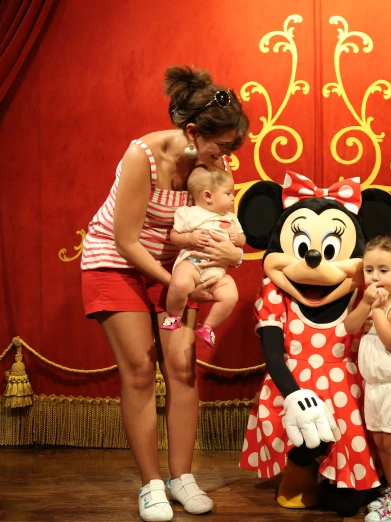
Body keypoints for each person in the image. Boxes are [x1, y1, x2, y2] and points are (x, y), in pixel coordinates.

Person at [80, 64, 248, 522]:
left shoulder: (213, 164)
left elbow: (220, 232)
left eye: (234, 146)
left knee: (182, 365)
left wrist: (224, 256)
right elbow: (126, 241)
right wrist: (177, 279)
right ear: (192, 131)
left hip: (176, 268)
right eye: (223, 145)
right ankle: (151, 485)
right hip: (115, 263)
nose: (228, 156)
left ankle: (182, 478)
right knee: (139, 368)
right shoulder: (144, 157)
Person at [344, 236, 391, 522]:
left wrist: (377, 309)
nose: (375, 277)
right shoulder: (370, 300)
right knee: (381, 443)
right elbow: (350, 326)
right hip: (375, 387)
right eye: (369, 270)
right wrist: (365, 304)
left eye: (383, 271)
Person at [160, 164, 245, 348]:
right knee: (180, 282)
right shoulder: (190, 214)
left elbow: (242, 240)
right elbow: (174, 236)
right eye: (228, 193)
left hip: (217, 273)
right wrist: (189, 237)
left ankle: (208, 327)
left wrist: (236, 237)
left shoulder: (231, 218)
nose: (233, 197)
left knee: (230, 295)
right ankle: (174, 315)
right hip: (192, 264)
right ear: (208, 196)